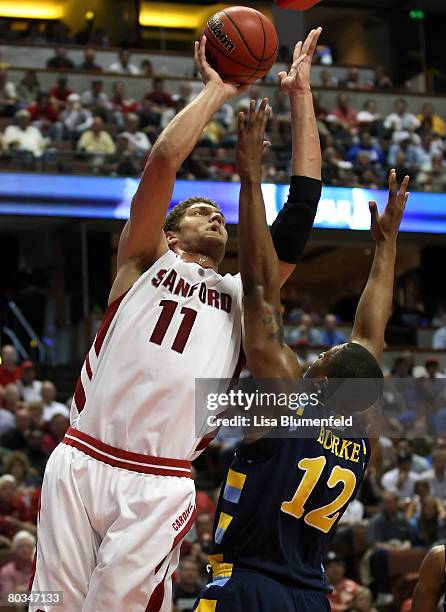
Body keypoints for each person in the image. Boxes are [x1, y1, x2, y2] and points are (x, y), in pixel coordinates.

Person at [30, 33, 323, 612]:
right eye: (198, 211)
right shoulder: (142, 262)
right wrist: (219, 88)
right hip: (80, 456)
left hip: (159, 478)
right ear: (170, 233)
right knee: (47, 606)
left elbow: (297, 217)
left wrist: (301, 97)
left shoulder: (247, 296)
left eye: (219, 214)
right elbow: (163, 160)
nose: (214, 215)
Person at [194, 42, 409, 612]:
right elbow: (371, 339)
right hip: (311, 597)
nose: (312, 356)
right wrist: (384, 251)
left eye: (318, 358)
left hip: (246, 586)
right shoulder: (358, 430)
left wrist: (248, 180)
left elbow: (262, 292)